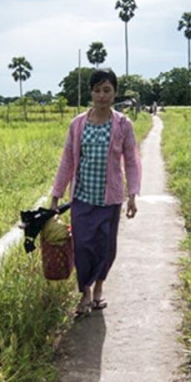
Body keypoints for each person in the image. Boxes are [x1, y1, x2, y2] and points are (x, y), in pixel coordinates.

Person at [50, 68, 141, 316]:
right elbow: (67, 161)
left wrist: (132, 194)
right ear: (91, 92)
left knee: (105, 247)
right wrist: (56, 196)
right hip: (81, 198)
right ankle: (85, 293)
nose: (102, 95)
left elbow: (131, 160)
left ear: (114, 93)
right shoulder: (77, 124)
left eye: (107, 90)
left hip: (110, 200)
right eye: (97, 90)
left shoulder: (123, 124)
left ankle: (99, 288)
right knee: (82, 246)